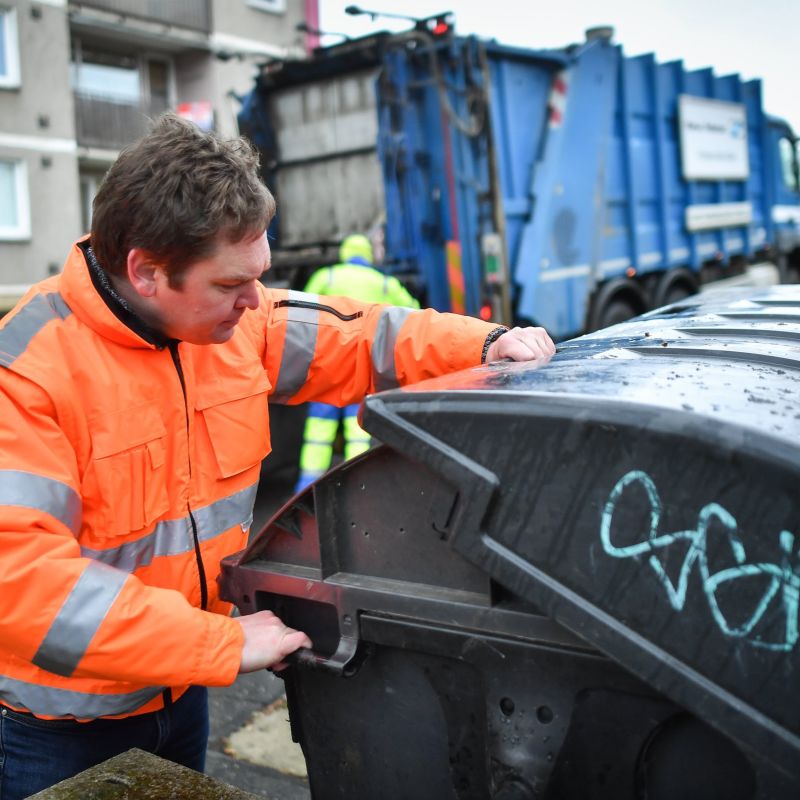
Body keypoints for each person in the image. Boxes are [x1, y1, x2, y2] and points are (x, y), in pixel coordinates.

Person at [0, 114, 555, 798]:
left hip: (185, 695)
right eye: (231, 283)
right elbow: (21, 585)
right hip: (61, 730)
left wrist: (483, 345)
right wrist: (222, 646)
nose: (254, 301)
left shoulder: (236, 322)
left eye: (259, 278)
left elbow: (359, 338)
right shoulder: (25, 372)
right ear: (145, 270)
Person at [294, 233, 420, 492]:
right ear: (367, 254)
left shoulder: (326, 277)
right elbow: (413, 311)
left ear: (344, 253)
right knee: (357, 429)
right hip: (360, 366)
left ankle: (305, 487)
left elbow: (297, 312)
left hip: (324, 365)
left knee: (318, 430)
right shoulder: (384, 283)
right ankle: (357, 486)